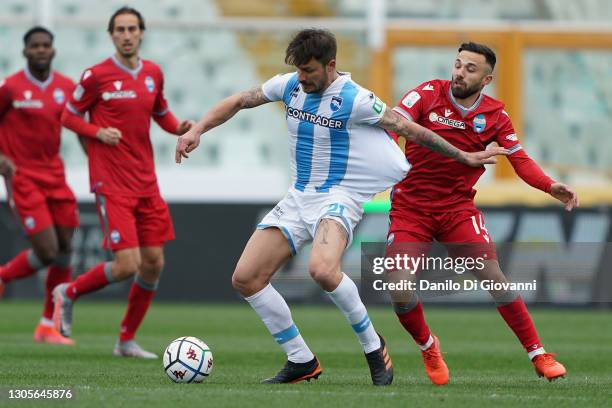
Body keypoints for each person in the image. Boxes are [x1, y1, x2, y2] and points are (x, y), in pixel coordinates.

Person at [175, 29, 506, 384]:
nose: (302, 78)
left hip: (338, 198)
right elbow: (242, 99)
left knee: (321, 269)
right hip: (298, 197)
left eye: (309, 71)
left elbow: (411, 130)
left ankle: (372, 347)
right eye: (299, 70)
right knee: (246, 279)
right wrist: (199, 129)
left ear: (331, 65)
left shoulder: (356, 98)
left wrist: (463, 155)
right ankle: (301, 360)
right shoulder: (290, 85)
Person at [386, 42, 578, 385]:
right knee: (400, 290)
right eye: (458, 64)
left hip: (457, 209)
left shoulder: (496, 116)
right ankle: (428, 345)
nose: (459, 72)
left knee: (496, 279)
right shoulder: (427, 94)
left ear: (486, 79)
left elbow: (519, 159)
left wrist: (550, 186)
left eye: (470, 69)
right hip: (410, 209)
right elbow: (392, 125)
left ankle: (538, 354)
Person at [53, 7, 193, 358]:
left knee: (153, 263)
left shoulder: (152, 73)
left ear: (142, 33)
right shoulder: (96, 75)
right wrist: (96, 131)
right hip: (111, 182)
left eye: (132, 28)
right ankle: (66, 293)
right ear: (111, 35)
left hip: (146, 182)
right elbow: (67, 115)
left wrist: (179, 128)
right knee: (126, 265)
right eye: (120, 29)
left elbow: (160, 112)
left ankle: (126, 340)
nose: (127, 34)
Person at [0, 27, 79, 345]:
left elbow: (81, 123)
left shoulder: (65, 87)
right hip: (24, 179)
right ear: (25, 52)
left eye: (46, 45)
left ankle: (49, 325)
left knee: (64, 251)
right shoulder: (11, 88)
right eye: (35, 46)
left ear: (53, 50)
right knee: (47, 250)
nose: (41, 50)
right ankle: (3, 276)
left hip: (56, 178)